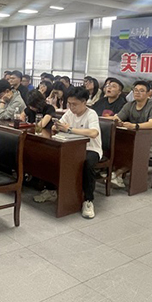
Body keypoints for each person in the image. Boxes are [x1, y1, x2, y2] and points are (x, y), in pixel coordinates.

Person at [46, 87, 102, 219]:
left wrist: (69, 129)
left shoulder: (91, 114)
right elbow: (58, 125)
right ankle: (52, 190)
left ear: (84, 102)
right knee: (51, 156)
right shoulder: (69, 113)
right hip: (72, 148)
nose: (71, 107)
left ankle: (88, 200)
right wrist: (56, 126)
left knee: (87, 164)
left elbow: (94, 133)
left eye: (74, 104)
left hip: (91, 148)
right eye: (69, 104)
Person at [111, 80, 152, 188]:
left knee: (137, 151)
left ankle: (117, 174)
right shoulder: (129, 105)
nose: (137, 93)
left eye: (141, 91)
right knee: (119, 146)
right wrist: (118, 122)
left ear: (148, 93)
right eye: (135, 90)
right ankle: (115, 174)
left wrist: (134, 126)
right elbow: (117, 117)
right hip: (135, 138)